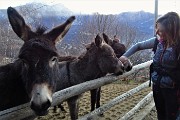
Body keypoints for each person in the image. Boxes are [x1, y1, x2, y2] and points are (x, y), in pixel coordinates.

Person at [119, 12, 180, 120]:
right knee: (161, 115)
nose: (156, 32)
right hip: (157, 88)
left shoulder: (178, 46)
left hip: (173, 91)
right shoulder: (158, 42)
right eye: (156, 28)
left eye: (160, 30)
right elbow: (138, 46)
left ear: (170, 30)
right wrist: (124, 57)